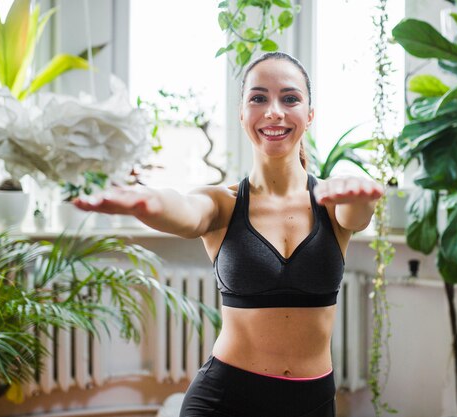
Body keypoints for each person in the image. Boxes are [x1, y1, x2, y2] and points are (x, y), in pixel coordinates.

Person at [74, 51, 384, 417]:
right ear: (241, 115)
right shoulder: (222, 204)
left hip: (311, 402)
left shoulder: (332, 203)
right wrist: (148, 203)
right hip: (224, 399)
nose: (273, 112)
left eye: (290, 98)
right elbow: (185, 212)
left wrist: (363, 194)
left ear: (310, 114)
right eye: (258, 98)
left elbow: (356, 215)